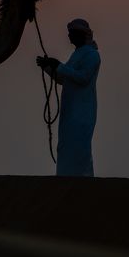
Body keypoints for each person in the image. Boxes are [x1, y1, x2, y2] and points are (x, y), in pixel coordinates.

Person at [36, 18, 100, 177]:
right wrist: (48, 68)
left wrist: (59, 65)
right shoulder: (76, 55)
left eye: (72, 33)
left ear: (81, 34)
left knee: (79, 146)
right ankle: (65, 181)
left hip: (82, 112)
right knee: (66, 146)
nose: (69, 36)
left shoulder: (92, 55)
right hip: (70, 112)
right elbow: (64, 79)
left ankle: (83, 181)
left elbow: (83, 78)